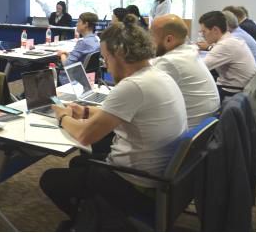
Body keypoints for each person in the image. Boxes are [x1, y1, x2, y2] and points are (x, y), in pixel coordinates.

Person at [40, 15, 187, 228]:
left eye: (106, 59)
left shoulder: (132, 86)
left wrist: (62, 116)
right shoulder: (156, 75)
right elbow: (121, 112)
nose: (106, 67)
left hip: (135, 182)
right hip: (160, 178)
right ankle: (92, 213)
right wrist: (85, 111)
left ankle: (94, 221)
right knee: (78, 163)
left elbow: (84, 136)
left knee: (50, 179)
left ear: (119, 54)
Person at [150, 15, 220, 127]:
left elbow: (143, 89)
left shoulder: (170, 62)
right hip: (204, 126)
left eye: (152, 36)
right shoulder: (189, 51)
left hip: (189, 129)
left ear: (169, 39)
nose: (149, 42)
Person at [197, 11, 256, 100]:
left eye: (204, 32)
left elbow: (200, 67)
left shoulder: (225, 45)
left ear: (215, 30)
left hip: (233, 92)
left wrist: (191, 54)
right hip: (240, 88)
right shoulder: (230, 39)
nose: (203, 36)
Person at [56, 12, 100, 85]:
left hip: (72, 79)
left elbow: (67, 64)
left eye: (79, 21)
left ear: (86, 24)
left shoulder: (83, 43)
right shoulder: (95, 40)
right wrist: (68, 54)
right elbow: (83, 58)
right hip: (89, 79)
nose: (76, 24)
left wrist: (62, 54)